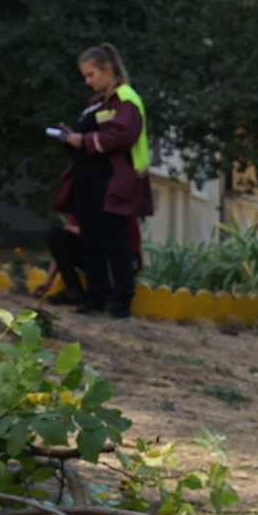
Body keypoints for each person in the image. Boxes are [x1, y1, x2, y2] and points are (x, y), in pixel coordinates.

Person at [50, 43, 152, 318]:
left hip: (111, 182)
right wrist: (70, 138)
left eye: (91, 74)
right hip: (87, 179)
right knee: (91, 241)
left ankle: (120, 302)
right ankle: (94, 299)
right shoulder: (98, 102)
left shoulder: (125, 98)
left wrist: (82, 140)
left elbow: (123, 134)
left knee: (113, 241)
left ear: (107, 69)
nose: (88, 81)